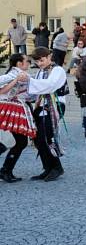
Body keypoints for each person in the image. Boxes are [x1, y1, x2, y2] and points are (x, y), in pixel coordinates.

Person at [27, 48, 68, 181]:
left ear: (49, 56)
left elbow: (50, 86)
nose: (39, 63)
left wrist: (29, 80)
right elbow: (36, 90)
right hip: (41, 106)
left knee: (47, 137)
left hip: (54, 106)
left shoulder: (57, 70)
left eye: (42, 60)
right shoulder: (40, 71)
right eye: (37, 61)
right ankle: (48, 167)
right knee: (39, 139)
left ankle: (57, 167)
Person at [0, 54, 36, 182]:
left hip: (16, 108)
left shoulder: (20, 74)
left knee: (18, 142)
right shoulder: (14, 74)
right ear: (19, 63)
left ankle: (6, 170)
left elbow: (29, 93)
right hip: (9, 108)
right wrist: (15, 80)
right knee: (19, 142)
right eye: (28, 61)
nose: (29, 63)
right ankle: (5, 170)